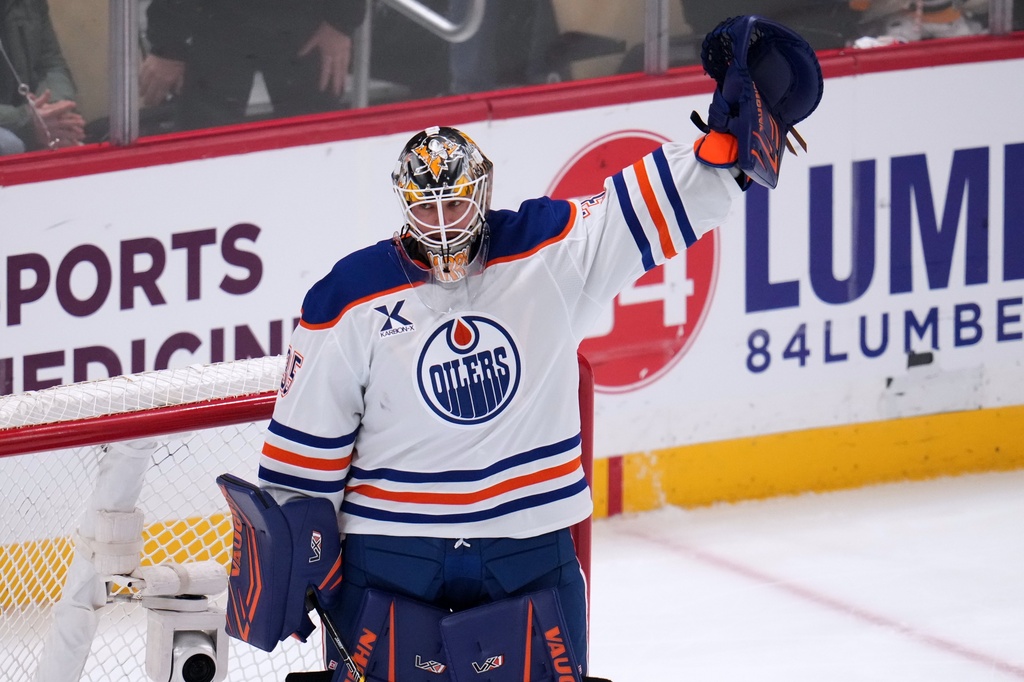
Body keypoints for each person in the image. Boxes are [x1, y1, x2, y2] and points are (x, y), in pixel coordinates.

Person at [223, 16, 822, 682]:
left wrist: (728, 147)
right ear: (403, 206)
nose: (445, 223)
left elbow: (649, 203)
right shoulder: (347, 298)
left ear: (485, 192)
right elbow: (304, 454)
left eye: (457, 203)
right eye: (428, 208)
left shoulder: (550, 251)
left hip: (528, 549)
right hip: (395, 554)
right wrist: (300, 558)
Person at [140, 0, 366, 131]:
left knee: (316, 138)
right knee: (205, 144)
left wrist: (340, 21)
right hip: (219, 20)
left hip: (306, 23)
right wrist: (168, 46)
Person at [0, 0, 85, 152]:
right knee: (10, 146)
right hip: (12, 124)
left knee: (69, 137)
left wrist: (55, 110)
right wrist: (25, 120)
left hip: (31, 114)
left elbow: (51, 64)